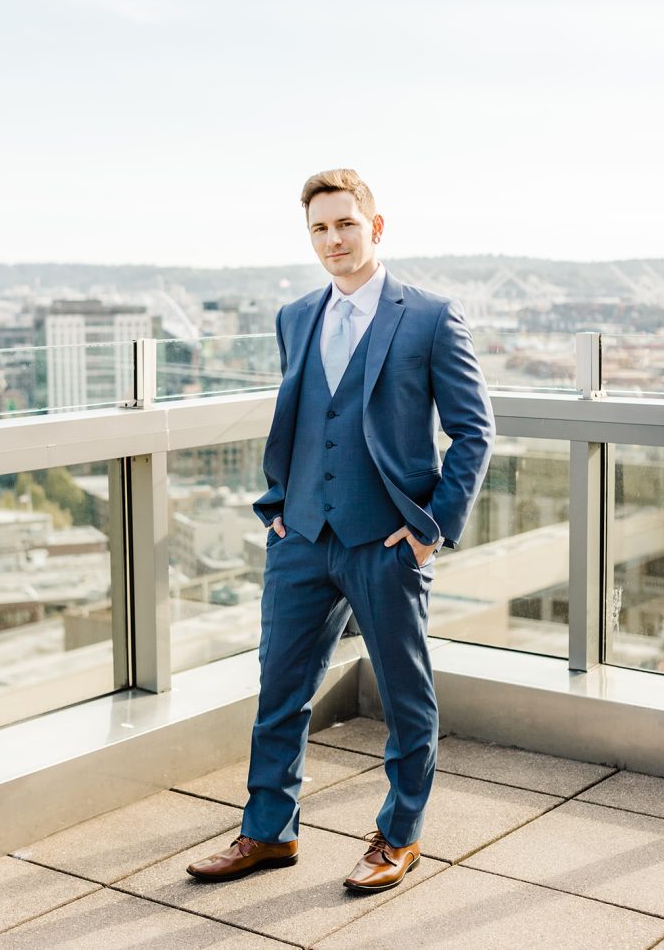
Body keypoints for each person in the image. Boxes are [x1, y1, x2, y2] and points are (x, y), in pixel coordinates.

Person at [188, 168, 494, 892]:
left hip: (385, 543)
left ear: (375, 227)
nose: (332, 239)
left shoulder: (428, 315)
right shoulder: (295, 315)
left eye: (345, 224)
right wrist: (281, 508)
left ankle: (397, 835)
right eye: (319, 228)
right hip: (300, 539)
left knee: (404, 694)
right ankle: (267, 832)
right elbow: (301, 418)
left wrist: (429, 530)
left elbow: (473, 432)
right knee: (279, 690)